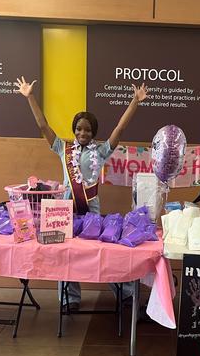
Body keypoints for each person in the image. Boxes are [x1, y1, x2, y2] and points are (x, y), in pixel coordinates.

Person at [15, 76, 147, 311]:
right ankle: (69, 299)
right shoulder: (62, 148)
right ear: (74, 130)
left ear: (93, 131)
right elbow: (43, 126)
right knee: (65, 254)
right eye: (78, 129)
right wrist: (30, 97)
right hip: (64, 211)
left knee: (102, 254)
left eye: (87, 129)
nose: (82, 133)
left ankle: (124, 293)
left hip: (92, 211)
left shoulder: (102, 150)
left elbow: (120, 127)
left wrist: (135, 102)